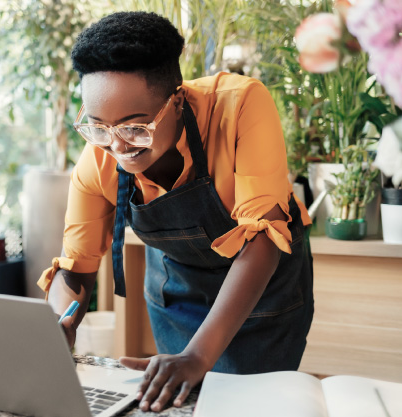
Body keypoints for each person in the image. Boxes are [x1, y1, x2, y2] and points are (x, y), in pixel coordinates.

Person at [37, 11, 314, 413]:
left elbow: (261, 242)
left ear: (178, 99)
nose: (117, 146)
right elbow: (76, 269)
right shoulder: (96, 162)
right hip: (177, 289)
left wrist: (198, 356)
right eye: (98, 127)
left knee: (247, 408)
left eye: (136, 127)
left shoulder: (239, 106)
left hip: (261, 290)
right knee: (179, 405)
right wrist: (59, 324)